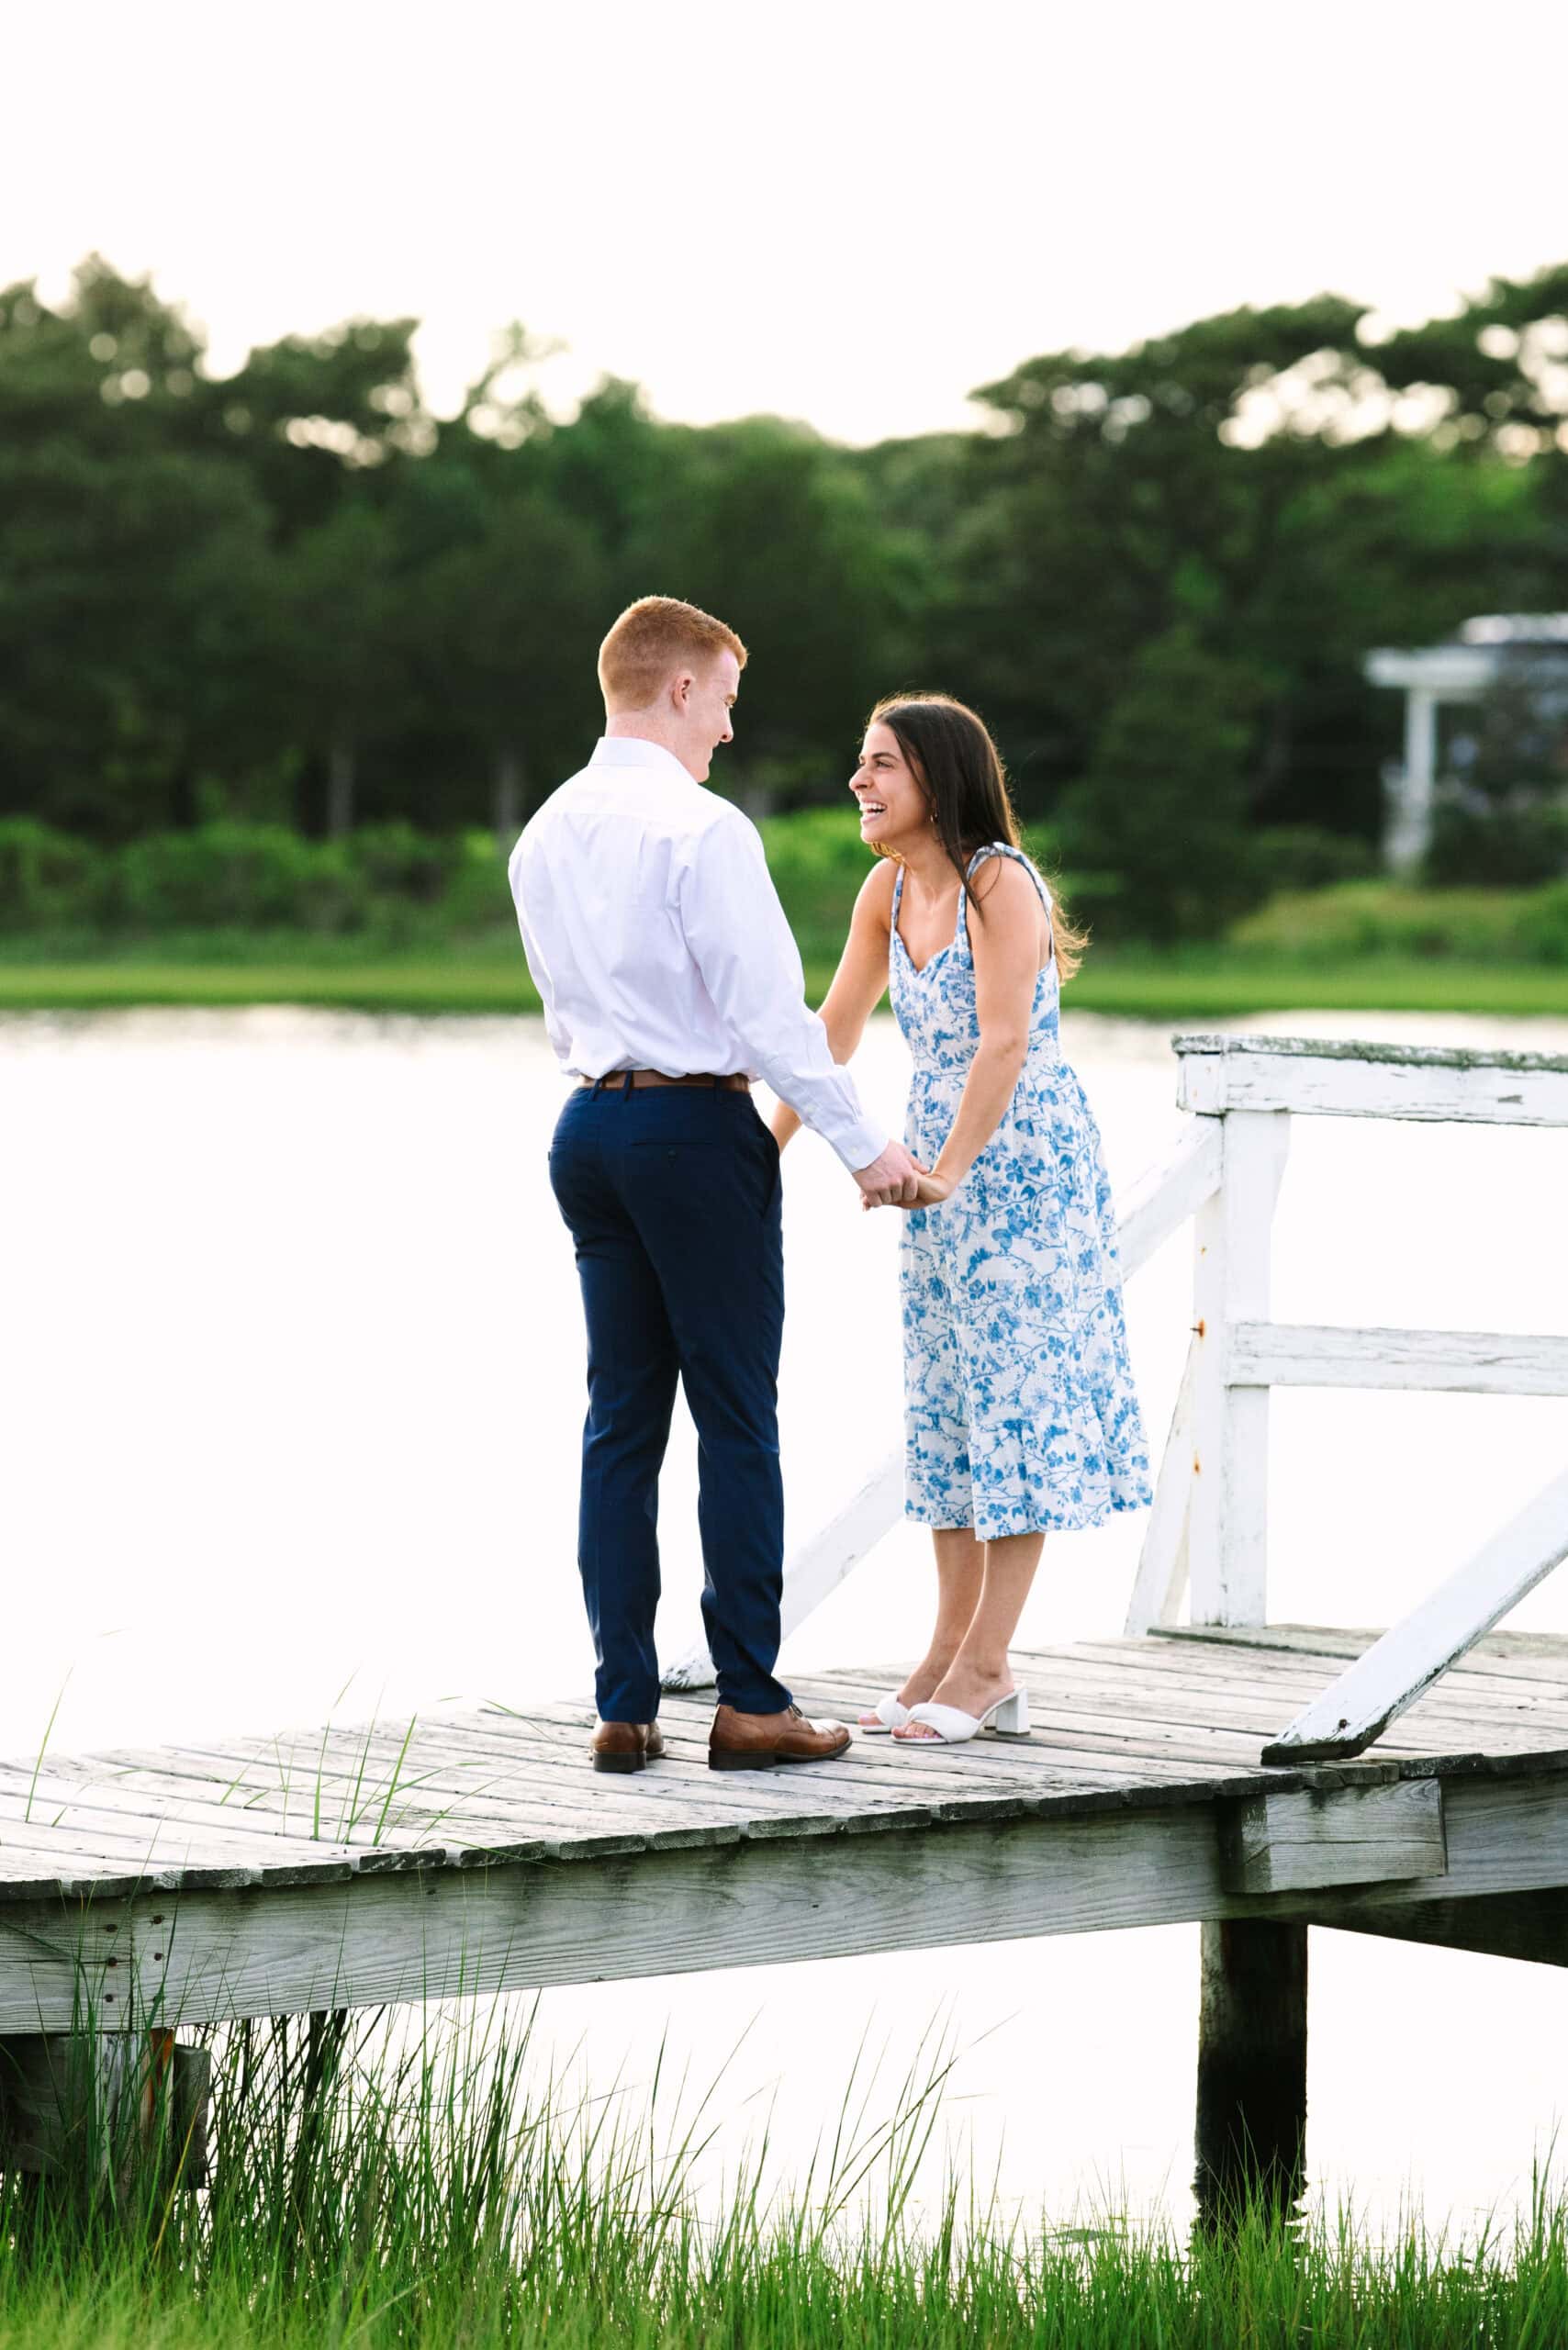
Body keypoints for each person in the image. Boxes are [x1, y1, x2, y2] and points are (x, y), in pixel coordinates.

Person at [510, 597, 924, 1777]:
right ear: (681, 687)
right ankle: (748, 1700)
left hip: (585, 1129)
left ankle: (624, 1706)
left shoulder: (543, 831)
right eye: (728, 702)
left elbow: (564, 1009)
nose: (730, 731)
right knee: (737, 1418)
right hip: (693, 1134)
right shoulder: (701, 829)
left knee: (619, 1422)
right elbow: (771, 1023)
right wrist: (868, 1150)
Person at [771, 693, 1151, 1746]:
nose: (859, 780)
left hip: (1019, 1169)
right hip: (933, 1168)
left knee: (1018, 1412)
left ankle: (987, 1665)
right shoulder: (886, 887)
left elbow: (1002, 1045)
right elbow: (829, 1034)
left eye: (881, 763)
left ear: (937, 779)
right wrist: (764, 1150)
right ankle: (942, 1656)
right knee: (946, 1414)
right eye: (861, 761)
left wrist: (945, 1170)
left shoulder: (999, 882)